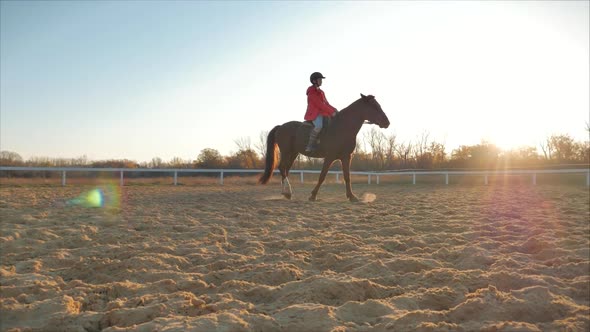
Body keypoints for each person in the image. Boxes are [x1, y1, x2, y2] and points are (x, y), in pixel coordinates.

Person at [304, 72, 338, 152]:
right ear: (314, 81)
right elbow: (319, 104)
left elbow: (326, 104)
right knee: (319, 126)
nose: (321, 81)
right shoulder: (311, 92)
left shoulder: (321, 92)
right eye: (319, 79)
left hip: (323, 113)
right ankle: (310, 145)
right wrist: (331, 112)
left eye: (321, 79)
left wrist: (335, 110)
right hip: (315, 114)